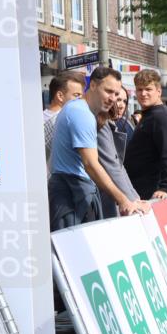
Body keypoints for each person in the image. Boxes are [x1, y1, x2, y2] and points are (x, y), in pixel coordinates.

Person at [48, 66, 146, 228]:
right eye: (108, 91)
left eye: (116, 94)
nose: (113, 98)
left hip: (73, 193)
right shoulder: (82, 113)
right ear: (92, 85)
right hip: (72, 195)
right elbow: (91, 164)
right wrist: (123, 200)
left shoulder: (78, 110)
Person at [125, 69, 167, 200]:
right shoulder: (151, 115)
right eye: (139, 90)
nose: (143, 94)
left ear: (159, 91)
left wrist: (165, 187)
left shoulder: (161, 117)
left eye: (148, 89)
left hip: (152, 193)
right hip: (140, 190)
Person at [43, 71, 85, 170]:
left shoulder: (33, 120)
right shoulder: (67, 120)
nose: (81, 100)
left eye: (81, 96)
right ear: (60, 96)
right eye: (76, 95)